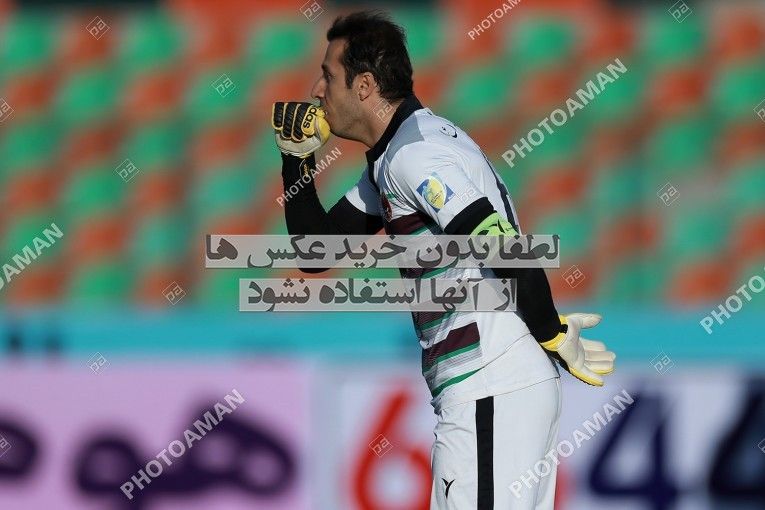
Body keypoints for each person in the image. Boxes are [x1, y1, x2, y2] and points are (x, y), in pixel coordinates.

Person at [271, 10, 615, 509]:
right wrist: (296, 161)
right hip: (492, 388)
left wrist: (552, 332)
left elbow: (504, 247)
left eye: (328, 75)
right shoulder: (395, 155)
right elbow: (316, 249)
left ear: (364, 85)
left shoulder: (416, 156)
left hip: (492, 383)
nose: (316, 90)